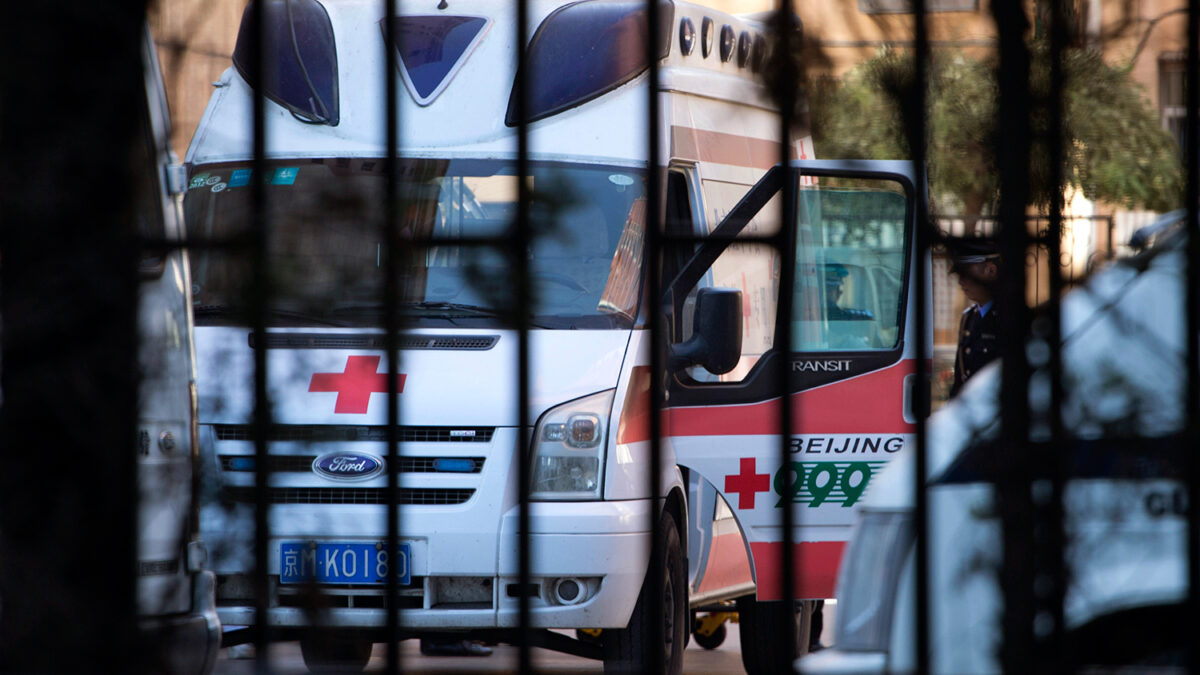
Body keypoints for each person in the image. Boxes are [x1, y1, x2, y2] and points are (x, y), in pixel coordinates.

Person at [949, 239, 1001, 397]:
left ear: (991, 271)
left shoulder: (1010, 318)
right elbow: (960, 379)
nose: (960, 281)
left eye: (966, 273)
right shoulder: (968, 318)